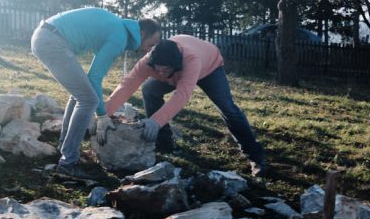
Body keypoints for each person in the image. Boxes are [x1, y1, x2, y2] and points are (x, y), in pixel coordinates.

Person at [102, 35, 267, 177]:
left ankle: (255, 156)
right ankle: (164, 144)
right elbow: (127, 85)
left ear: (175, 65)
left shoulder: (190, 60)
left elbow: (182, 95)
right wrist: (103, 114)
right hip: (179, 69)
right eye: (156, 70)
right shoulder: (148, 62)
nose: (159, 74)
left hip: (210, 66)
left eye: (164, 70)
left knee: (228, 108)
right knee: (149, 89)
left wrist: (155, 120)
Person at [31, 7, 162, 178]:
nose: (148, 50)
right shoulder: (119, 36)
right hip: (52, 40)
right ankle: (68, 162)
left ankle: (66, 148)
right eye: (150, 44)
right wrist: (102, 116)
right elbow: (95, 77)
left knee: (81, 94)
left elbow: (93, 75)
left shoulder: (117, 27)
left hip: (46, 35)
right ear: (143, 32)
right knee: (88, 100)